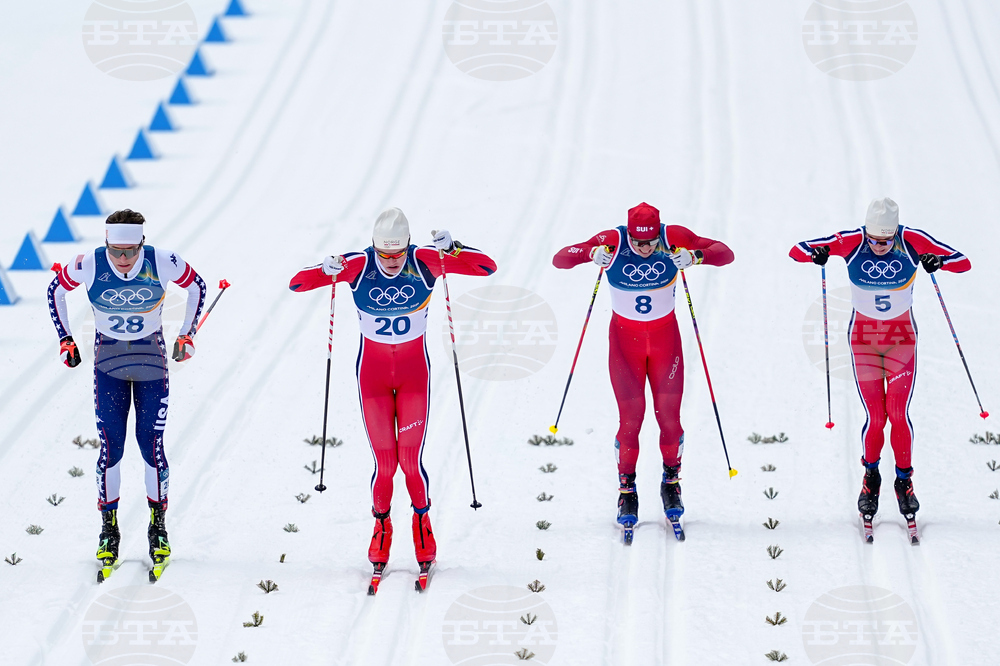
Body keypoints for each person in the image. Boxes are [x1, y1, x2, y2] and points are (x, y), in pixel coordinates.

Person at [289, 208, 496, 585]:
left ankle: (422, 527)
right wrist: (325, 269)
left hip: (415, 376)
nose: (390, 262)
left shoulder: (425, 260)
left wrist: (453, 249)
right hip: (373, 379)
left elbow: (486, 268)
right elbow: (296, 285)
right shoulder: (358, 265)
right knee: (386, 465)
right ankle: (381, 530)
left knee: (409, 462)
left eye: (397, 254)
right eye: (383, 255)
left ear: (407, 246)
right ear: (373, 247)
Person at [552, 202, 734, 537]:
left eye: (651, 243)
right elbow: (561, 257)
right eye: (639, 242)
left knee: (669, 418)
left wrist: (696, 258)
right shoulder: (613, 241)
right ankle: (627, 492)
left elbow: (725, 253)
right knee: (631, 420)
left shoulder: (674, 237)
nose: (646, 249)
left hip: (666, 345)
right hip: (625, 346)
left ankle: (671, 482)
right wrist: (590, 253)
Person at [789, 197, 971, 527]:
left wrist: (936, 262)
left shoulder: (912, 240)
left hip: (902, 340)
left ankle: (904, 482)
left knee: (898, 413)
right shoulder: (853, 241)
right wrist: (818, 254)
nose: (879, 247)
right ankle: (870, 479)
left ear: (896, 232)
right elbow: (798, 249)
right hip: (864, 341)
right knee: (876, 416)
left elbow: (963, 262)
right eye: (874, 240)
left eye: (886, 241)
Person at [47, 209, 206, 581]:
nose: (122, 259)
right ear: (106, 243)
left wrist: (188, 333)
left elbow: (197, 285)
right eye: (116, 250)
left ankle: (158, 528)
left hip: (151, 362)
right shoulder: (88, 263)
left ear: (141, 244)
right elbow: (56, 290)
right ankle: (109, 529)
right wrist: (65, 339)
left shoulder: (163, 261)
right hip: (109, 365)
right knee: (111, 446)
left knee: (150, 444)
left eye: (130, 251)